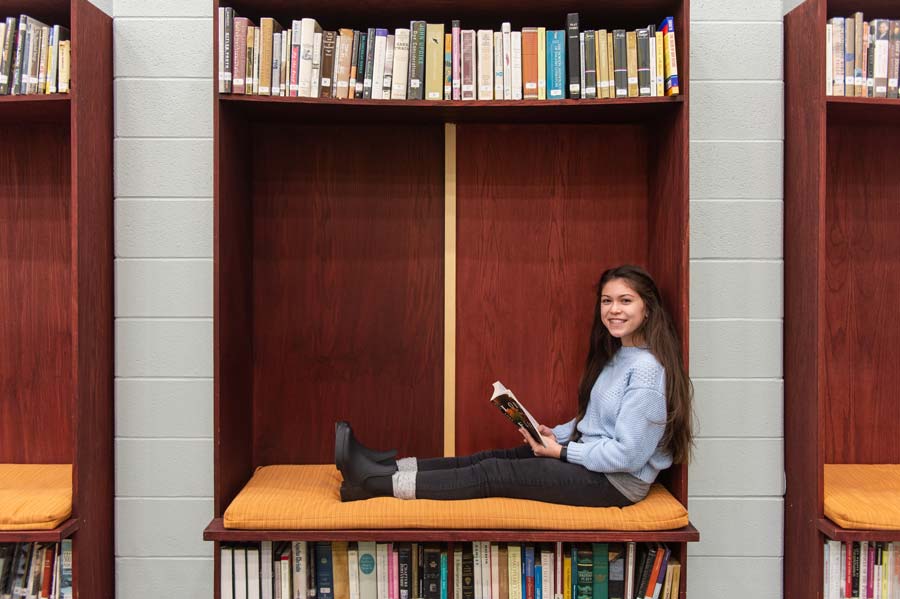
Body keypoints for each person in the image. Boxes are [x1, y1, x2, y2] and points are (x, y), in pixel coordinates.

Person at [336, 265, 693, 506]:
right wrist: (555, 434)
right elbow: (597, 421)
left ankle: (370, 484)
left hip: (615, 482)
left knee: (493, 473)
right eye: (607, 301)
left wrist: (563, 452)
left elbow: (628, 456)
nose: (614, 310)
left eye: (626, 301)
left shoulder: (647, 371)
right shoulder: (619, 356)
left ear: (648, 309)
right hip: (590, 461)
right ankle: (387, 468)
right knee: (489, 458)